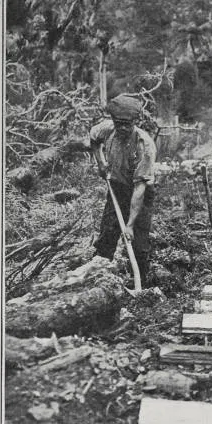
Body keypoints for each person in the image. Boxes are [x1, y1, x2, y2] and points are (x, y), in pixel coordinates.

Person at [90, 95, 157, 287]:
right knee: (106, 237)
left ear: (135, 122)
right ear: (113, 121)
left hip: (141, 193)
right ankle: (98, 281)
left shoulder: (145, 146)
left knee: (138, 244)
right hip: (117, 188)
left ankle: (142, 286)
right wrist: (101, 163)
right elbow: (94, 139)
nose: (123, 128)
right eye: (119, 124)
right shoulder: (107, 129)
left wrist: (129, 224)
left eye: (127, 124)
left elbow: (139, 188)